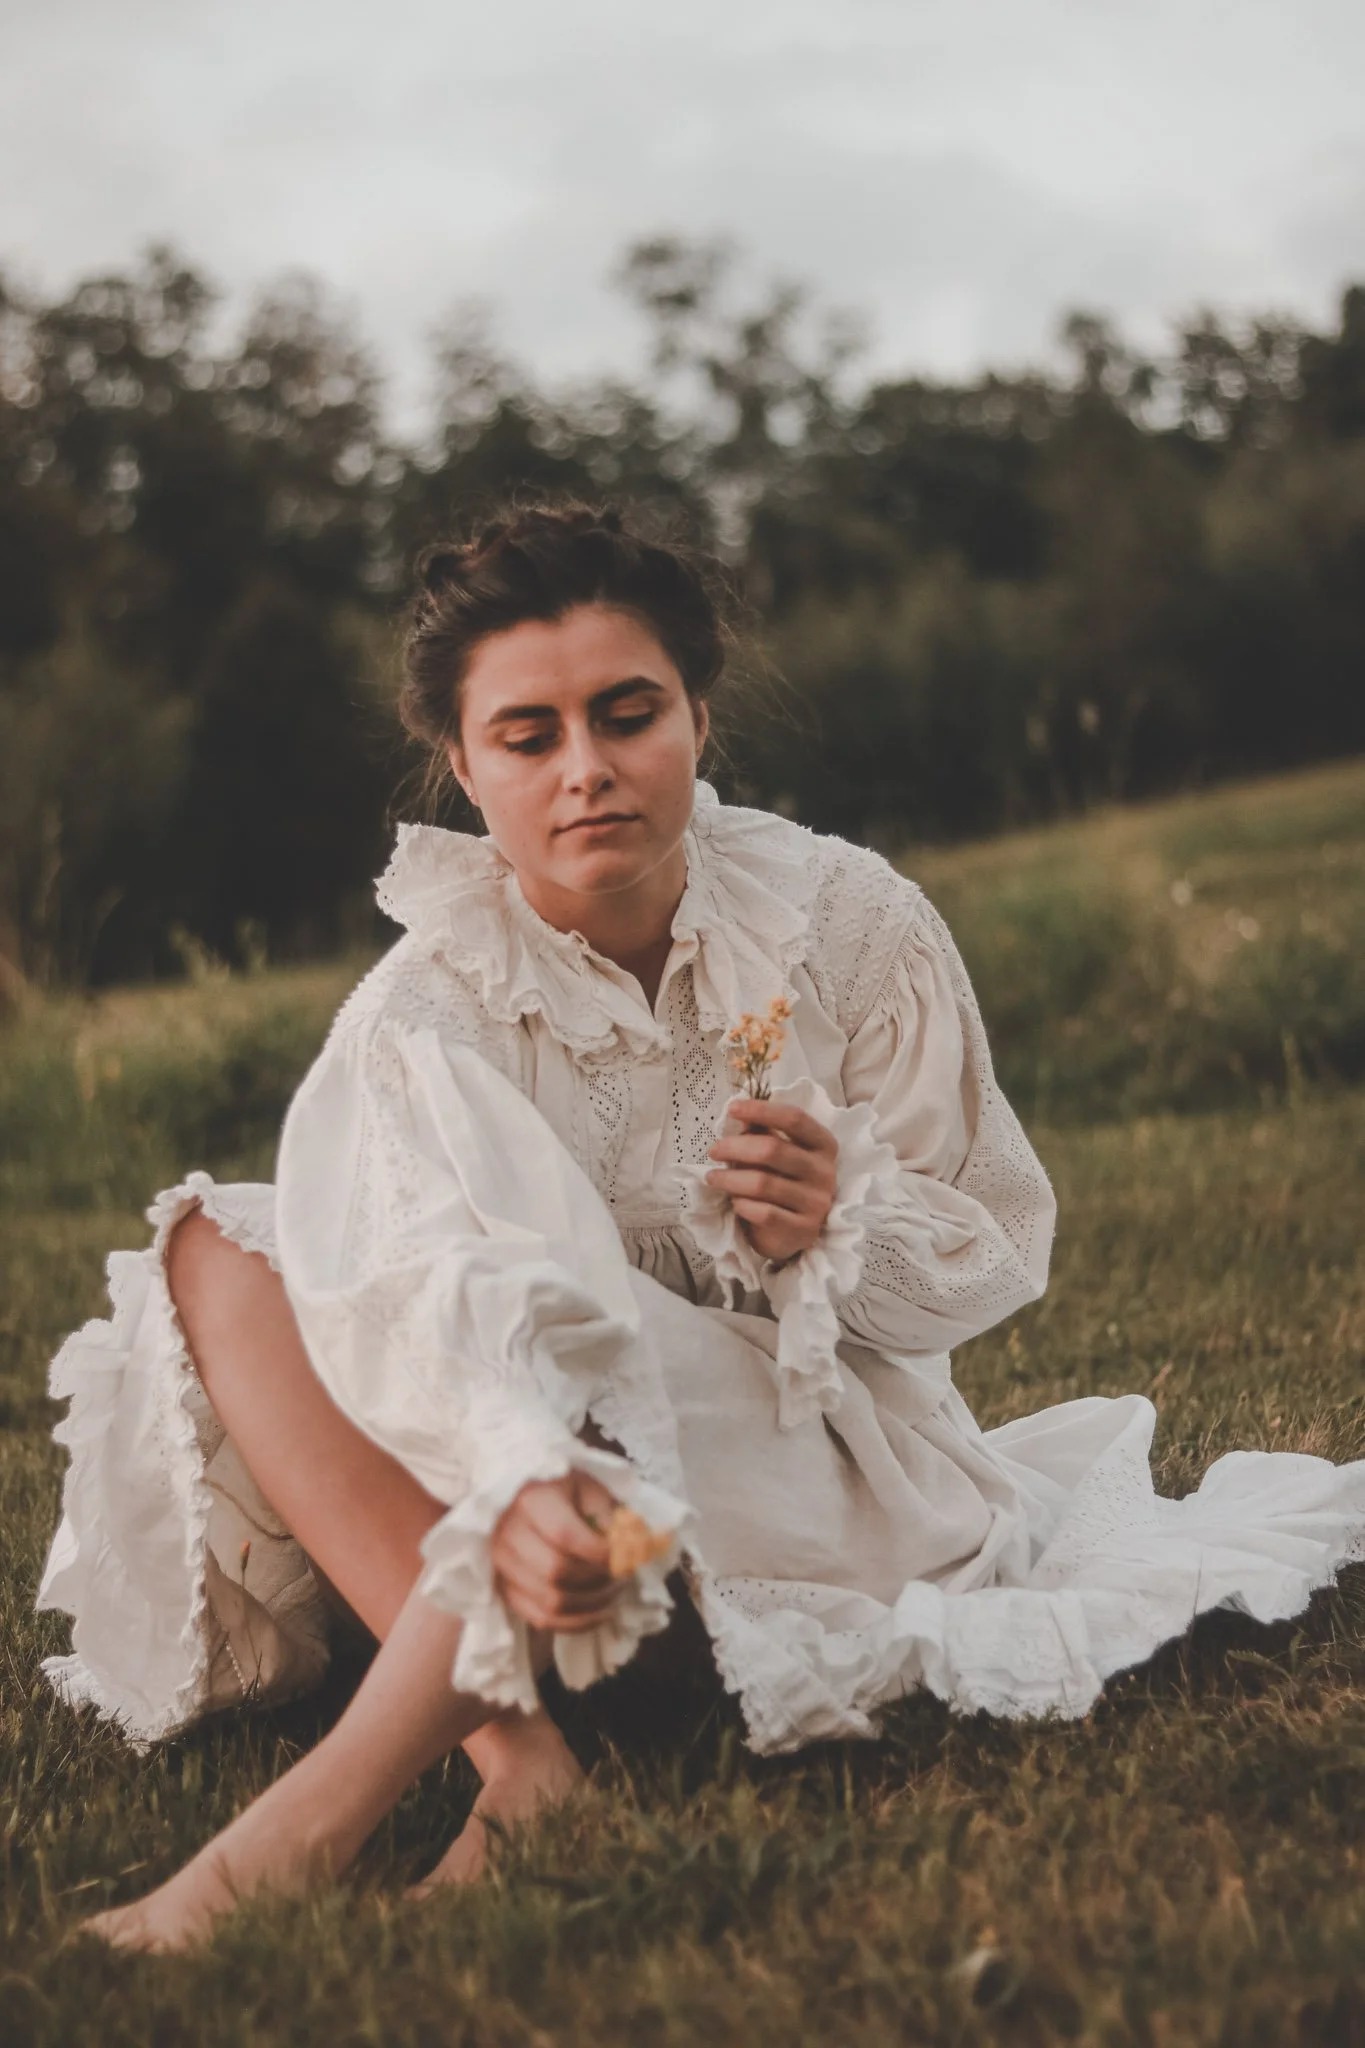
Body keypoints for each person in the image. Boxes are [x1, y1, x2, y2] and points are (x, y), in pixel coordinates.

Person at [37, 501, 1365, 1954]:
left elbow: (999, 1240)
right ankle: (523, 1768)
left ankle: (292, 1836)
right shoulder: (423, 1007)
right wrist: (512, 1449)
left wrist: (838, 1222)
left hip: (828, 1454)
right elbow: (403, 1296)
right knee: (219, 1249)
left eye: (628, 714)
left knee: (575, 1343)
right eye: (530, 737)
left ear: (698, 716)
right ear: (465, 768)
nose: (587, 770)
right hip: (555, 1494)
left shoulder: (849, 923)